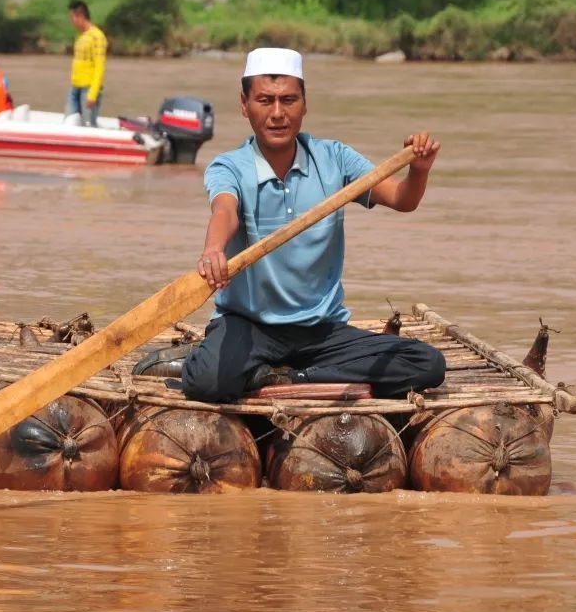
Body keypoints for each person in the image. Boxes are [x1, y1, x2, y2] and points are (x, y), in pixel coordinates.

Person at [179, 47, 446, 404]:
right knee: (206, 382)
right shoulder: (229, 166)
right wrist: (213, 249)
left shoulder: (334, 159)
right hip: (249, 325)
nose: (278, 113)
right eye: (265, 100)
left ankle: (289, 377)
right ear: (244, 105)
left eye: (289, 100)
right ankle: (256, 368)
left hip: (322, 332)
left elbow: (401, 199)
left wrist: (419, 169)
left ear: (305, 104)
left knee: (426, 363)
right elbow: (224, 211)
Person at [65, 0, 106, 127]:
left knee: (88, 125)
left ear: (80, 16)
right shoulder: (81, 36)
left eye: (72, 17)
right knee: (69, 121)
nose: (71, 21)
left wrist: (93, 94)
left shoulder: (97, 37)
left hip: (88, 89)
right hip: (75, 87)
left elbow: (100, 67)